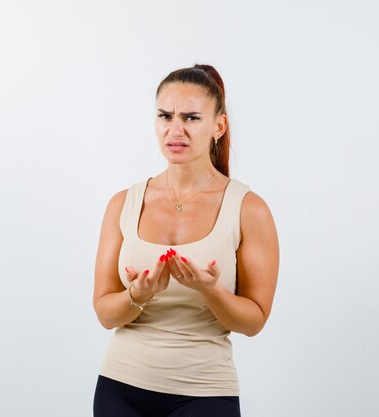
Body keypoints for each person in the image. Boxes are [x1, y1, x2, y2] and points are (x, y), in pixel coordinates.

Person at [92, 64, 280, 417]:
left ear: (218, 126)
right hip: (119, 387)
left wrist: (210, 290)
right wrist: (138, 295)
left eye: (191, 118)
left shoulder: (248, 209)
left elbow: (253, 321)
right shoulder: (124, 203)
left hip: (204, 392)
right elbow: (104, 313)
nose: (175, 130)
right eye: (165, 116)